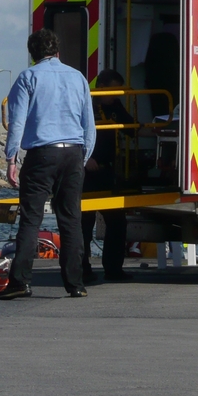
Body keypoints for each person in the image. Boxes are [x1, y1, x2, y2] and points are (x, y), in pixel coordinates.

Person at [0, 28, 96, 300]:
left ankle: (20, 281)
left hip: (42, 153)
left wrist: (11, 158)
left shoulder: (28, 77)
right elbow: (89, 126)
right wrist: (82, 157)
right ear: (58, 52)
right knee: (71, 220)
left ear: (32, 54)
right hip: (73, 152)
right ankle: (76, 283)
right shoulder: (78, 78)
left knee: (31, 219)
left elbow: (17, 122)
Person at [82, 69, 133, 282]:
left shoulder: (115, 106)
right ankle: (82, 269)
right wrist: (85, 159)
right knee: (84, 222)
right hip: (86, 172)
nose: (117, 94)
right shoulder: (86, 104)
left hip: (107, 170)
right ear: (101, 87)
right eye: (113, 90)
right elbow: (74, 132)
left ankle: (113, 269)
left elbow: (131, 127)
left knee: (117, 221)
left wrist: (156, 129)